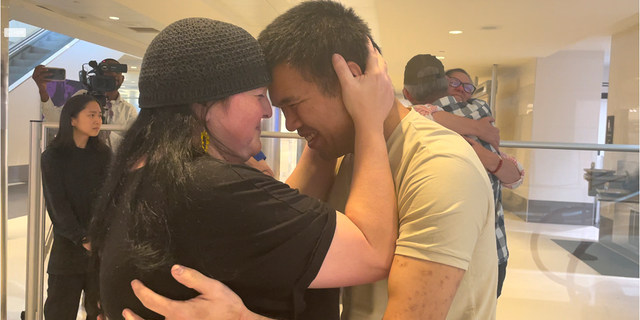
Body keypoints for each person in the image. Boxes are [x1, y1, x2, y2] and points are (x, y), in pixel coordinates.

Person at [122, 2, 498, 320]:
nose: (287, 122)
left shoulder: (440, 167)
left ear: (351, 77)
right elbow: (281, 220)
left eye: (293, 104)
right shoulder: (342, 154)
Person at [89, 17, 398, 320]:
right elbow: (372, 253)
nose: (267, 112)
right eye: (259, 96)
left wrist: (326, 126)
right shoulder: (210, 187)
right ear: (204, 104)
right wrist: (368, 120)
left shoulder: (148, 174)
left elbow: (292, 222)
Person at [403, 55, 525, 297]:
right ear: (440, 86)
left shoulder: (476, 115)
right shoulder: (476, 115)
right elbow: (419, 113)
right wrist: (479, 130)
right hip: (487, 249)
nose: (461, 91)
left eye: (468, 87)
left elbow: (516, 177)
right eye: (454, 83)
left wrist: (487, 157)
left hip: (463, 250)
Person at [41, 94, 112, 320]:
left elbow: (110, 198)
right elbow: (57, 206)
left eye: (99, 115)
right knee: (59, 312)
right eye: (91, 115)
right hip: (68, 251)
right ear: (72, 119)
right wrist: (82, 238)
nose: (97, 120)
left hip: (99, 251)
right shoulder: (53, 157)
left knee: (100, 312)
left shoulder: (104, 154)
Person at [32, 59, 138, 148]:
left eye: (116, 75)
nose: (113, 75)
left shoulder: (128, 111)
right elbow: (55, 120)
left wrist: (107, 133)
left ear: (122, 79)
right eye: (108, 73)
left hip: (111, 167)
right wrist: (43, 90)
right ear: (98, 76)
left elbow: (131, 145)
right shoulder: (82, 97)